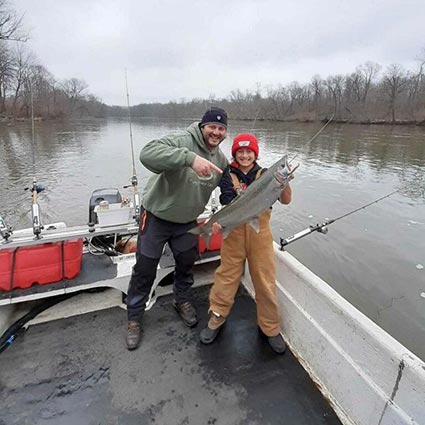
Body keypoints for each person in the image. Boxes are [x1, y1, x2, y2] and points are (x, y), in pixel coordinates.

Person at [126, 107, 229, 350]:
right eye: (212, 127)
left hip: (187, 223)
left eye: (221, 128)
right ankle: (134, 317)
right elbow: (147, 154)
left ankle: (181, 300)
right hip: (156, 217)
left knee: (186, 263)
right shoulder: (182, 140)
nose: (216, 132)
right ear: (203, 127)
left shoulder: (221, 161)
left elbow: (228, 193)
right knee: (145, 267)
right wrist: (189, 159)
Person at [199, 133, 293, 354]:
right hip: (234, 235)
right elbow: (226, 200)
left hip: (260, 235)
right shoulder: (227, 174)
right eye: (240, 151)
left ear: (255, 153)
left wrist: (285, 183)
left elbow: (286, 200)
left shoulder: (267, 175)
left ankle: (270, 327)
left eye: (248, 151)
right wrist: (218, 224)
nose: (244, 155)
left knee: (264, 280)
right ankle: (217, 318)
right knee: (226, 277)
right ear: (235, 154)